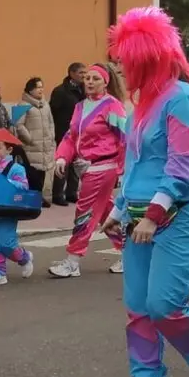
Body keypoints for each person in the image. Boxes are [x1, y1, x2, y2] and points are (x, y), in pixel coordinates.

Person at [99, 6, 189, 377]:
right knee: (137, 305)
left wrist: (153, 213)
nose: (122, 70)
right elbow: (136, 165)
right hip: (142, 217)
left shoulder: (184, 100)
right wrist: (120, 209)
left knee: (164, 305)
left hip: (179, 214)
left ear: (148, 59)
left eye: (127, 63)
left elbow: (184, 164)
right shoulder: (144, 106)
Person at [49, 63, 127, 278]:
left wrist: (121, 169)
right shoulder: (80, 106)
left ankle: (73, 259)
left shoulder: (113, 106)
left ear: (105, 82)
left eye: (95, 78)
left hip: (104, 166)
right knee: (105, 212)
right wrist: (62, 157)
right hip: (86, 167)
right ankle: (131, 253)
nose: (90, 82)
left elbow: (125, 139)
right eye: (87, 78)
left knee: (84, 210)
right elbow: (70, 136)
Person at [0, 129, 36, 286]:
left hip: (8, 211)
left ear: (9, 149)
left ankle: (24, 258)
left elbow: (23, 186)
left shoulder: (16, 168)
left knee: (7, 243)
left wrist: (6, 183)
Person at [14, 76, 56, 206]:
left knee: (43, 174)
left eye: (42, 87)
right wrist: (30, 139)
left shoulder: (45, 105)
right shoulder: (21, 105)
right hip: (31, 147)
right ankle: (31, 199)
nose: (41, 89)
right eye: (38, 87)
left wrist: (51, 137)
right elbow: (18, 125)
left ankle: (41, 198)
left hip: (45, 146)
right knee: (32, 174)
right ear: (30, 90)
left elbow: (51, 123)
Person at [49, 62, 86, 205]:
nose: (84, 76)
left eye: (85, 73)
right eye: (81, 73)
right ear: (72, 73)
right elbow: (53, 112)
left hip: (81, 133)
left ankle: (72, 192)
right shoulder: (60, 91)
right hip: (64, 132)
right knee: (63, 163)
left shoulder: (85, 90)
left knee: (76, 164)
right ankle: (57, 194)